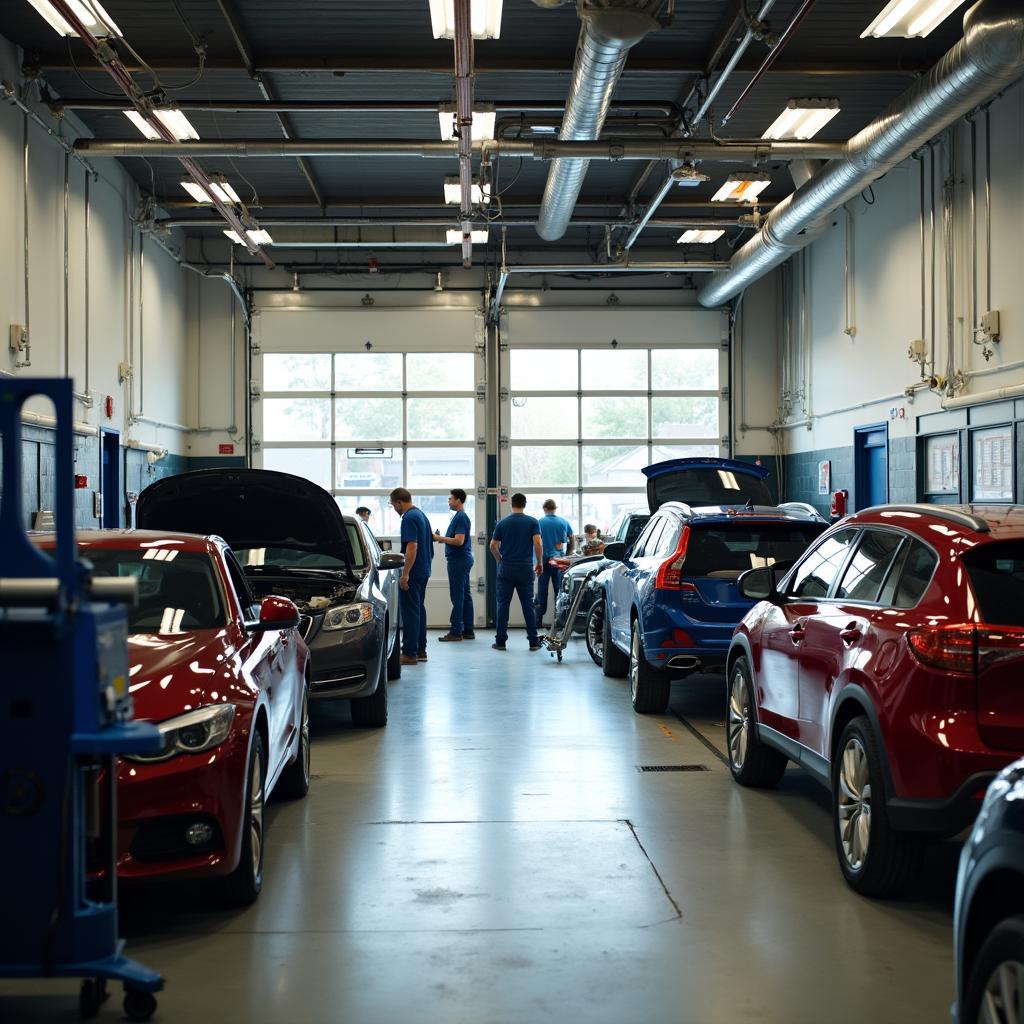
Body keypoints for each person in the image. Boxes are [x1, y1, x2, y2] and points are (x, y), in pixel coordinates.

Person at [489, 493, 543, 652]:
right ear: (524, 504)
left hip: (507, 569)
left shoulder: (502, 523)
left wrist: (500, 560)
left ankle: (500, 642)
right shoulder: (533, 522)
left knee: (503, 605)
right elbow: (538, 544)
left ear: (511, 504)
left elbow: (493, 545)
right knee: (528, 605)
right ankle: (533, 642)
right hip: (525, 568)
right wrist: (539, 562)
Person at [389, 487, 433, 665]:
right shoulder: (421, 515)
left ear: (399, 502)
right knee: (418, 610)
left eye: (393, 505)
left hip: (413, 572)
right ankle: (420, 650)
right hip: (423, 570)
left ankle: (409, 653)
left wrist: (405, 574)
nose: (394, 509)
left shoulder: (408, 518)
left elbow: (412, 547)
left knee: (410, 612)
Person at [433, 488, 475, 642]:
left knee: (457, 596)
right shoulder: (458, 517)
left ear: (458, 500)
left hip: (458, 560)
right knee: (464, 595)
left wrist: (439, 537)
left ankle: (456, 631)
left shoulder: (461, 517)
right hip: (462, 559)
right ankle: (468, 629)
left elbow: (459, 541)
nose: (449, 501)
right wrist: (442, 538)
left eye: (450, 499)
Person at [535, 499, 574, 628]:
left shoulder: (539, 523)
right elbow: (571, 537)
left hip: (544, 561)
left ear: (544, 508)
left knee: (542, 592)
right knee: (559, 591)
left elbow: (536, 542)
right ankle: (559, 621)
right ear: (555, 508)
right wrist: (568, 553)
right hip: (559, 562)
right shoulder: (563, 522)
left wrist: (537, 561)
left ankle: (538, 620)